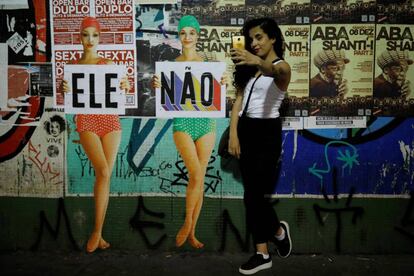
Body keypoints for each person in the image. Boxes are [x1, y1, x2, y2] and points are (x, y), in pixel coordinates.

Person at [152, 15, 227, 249]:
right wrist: (157, 86)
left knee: (199, 178)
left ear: (197, 36)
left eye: (191, 33)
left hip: (206, 124)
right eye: (183, 32)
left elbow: (216, 94)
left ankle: (192, 232)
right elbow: (166, 100)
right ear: (179, 36)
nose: (186, 37)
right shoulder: (171, 64)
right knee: (195, 174)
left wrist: (223, 82)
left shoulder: (208, 64)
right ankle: (187, 223)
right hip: (183, 123)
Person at [228, 17, 292, 275]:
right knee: (250, 195)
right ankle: (263, 251)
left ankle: (275, 234)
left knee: (255, 195)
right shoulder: (249, 69)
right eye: (251, 38)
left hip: (267, 134)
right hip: (245, 130)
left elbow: (280, 72)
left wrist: (259, 62)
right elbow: (239, 101)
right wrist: (233, 134)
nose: (254, 43)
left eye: (259, 38)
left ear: (273, 38)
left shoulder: (279, 66)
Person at [61, 16, 130, 253]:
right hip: (87, 121)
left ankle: (99, 233)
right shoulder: (73, 67)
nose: (90, 39)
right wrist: (64, 89)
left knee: (105, 176)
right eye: (85, 34)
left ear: (100, 38)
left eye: (95, 35)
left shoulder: (108, 63)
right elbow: (68, 99)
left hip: (110, 121)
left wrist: (125, 85)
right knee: (102, 171)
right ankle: (96, 232)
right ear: (79, 37)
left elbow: (123, 87)